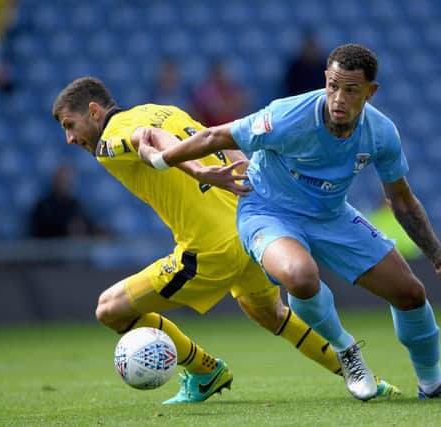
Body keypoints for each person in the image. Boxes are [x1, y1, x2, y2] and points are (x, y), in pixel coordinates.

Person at [139, 44, 441, 401]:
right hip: (267, 211)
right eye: (333, 85)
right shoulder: (286, 116)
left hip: (332, 215)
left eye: (351, 90)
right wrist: (161, 160)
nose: (338, 98)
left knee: (411, 294)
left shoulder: (381, 134)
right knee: (301, 277)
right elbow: (216, 136)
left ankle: (432, 384)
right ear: (325, 80)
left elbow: (402, 200)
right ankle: (345, 348)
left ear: (371, 92)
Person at [51, 77, 400, 405]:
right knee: (269, 313)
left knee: (109, 310)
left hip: (209, 249)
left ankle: (205, 371)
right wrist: (246, 169)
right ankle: (369, 380)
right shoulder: (162, 109)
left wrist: (198, 171)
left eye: (70, 125)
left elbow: (150, 139)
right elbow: (221, 139)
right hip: (249, 228)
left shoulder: (108, 143)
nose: (70, 138)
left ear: (94, 111)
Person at [29, 163, 103, 238]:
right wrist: (67, 227)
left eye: (68, 181)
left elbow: (88, 225)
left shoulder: (77, 205)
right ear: (55, 181)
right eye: (62, 181)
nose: (65, 184)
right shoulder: (43, 207)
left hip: (75, 248)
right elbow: (39, 231)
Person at [189, 59, 249, 127]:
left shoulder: (230, 89)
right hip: (209, 129)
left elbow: (243, 102)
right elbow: (216, 111)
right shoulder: (206, 90)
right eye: (220, 71)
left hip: (229, 129)